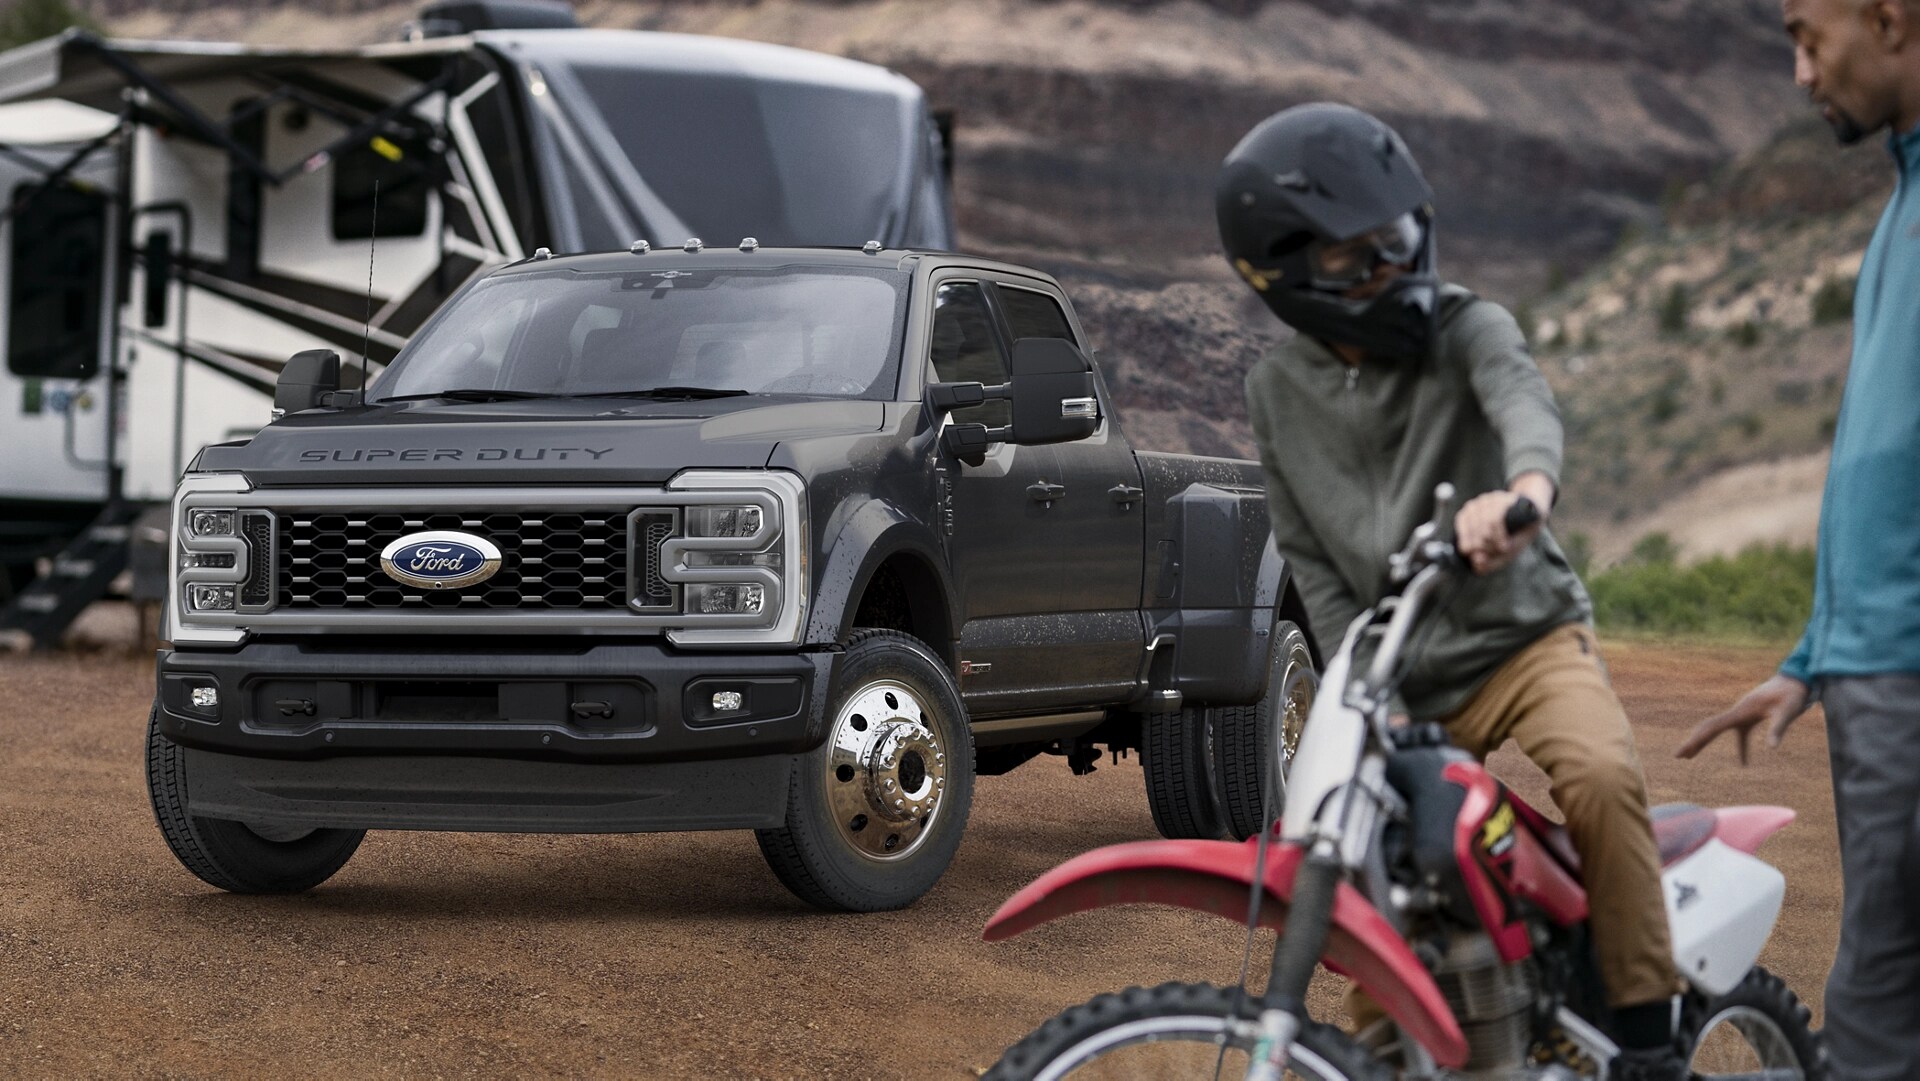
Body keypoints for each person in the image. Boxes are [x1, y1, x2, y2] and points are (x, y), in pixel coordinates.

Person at [1217, 103, 1687, 1079]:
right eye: (1357, 259)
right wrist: (1364, 694)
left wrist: (1523, 497)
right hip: (1403, 676)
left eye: (1397, 242)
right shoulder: (1277, 395)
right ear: (1289, 275)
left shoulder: (1471, 325)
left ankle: (1649, 1040)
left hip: (1523, 639)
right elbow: (1312, 559)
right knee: (1374, 864)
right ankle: (1394, 1053)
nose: (1392, 271)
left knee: (1601, 777)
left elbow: (1524, 403)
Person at [1678, 1, 1920, 1075]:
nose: (1798, 72)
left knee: (1874, 1019)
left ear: (1892, 18)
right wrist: (1812, 658)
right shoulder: (1900, 208)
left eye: (1810, 37)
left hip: (1909, 683)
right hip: (1876, 679)